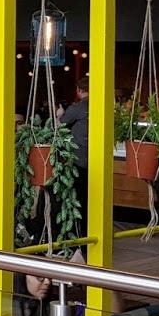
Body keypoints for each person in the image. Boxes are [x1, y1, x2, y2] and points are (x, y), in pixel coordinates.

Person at [59, 76, 92, 220]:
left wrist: (59, 115)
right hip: (96, 158)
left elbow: (59, 126)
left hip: (79, 158)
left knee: (79, 195)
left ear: (79, 90)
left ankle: (80, 227)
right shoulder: (100, 105)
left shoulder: (77, 108)